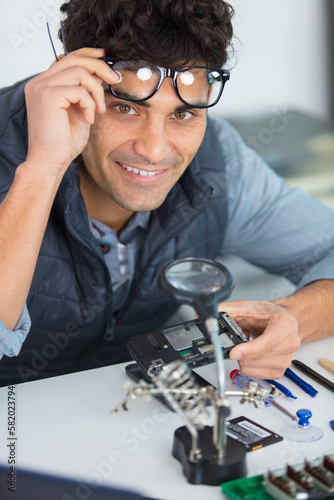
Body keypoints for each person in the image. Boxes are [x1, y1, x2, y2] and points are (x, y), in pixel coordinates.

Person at [0, 0, 334, 387]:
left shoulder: (218, 161)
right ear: (76, 85)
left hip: (132, 409)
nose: (155, 150)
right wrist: (42, 168)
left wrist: (291, 316)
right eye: (125, 108)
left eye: (181, 114)